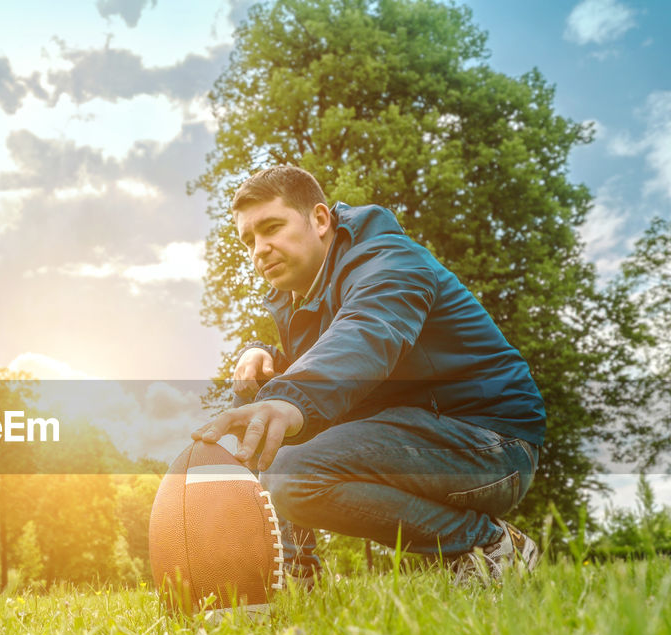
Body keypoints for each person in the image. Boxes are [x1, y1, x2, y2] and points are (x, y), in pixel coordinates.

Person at [193, 165, 544, 585]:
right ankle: (295, 570)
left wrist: (290, 397)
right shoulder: (302, 296)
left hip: (492, 446)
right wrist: (262, 355)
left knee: (293, 464)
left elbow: (368, 332)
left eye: (272, 228)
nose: (259, 249)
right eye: (249, 240)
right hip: (415, 437)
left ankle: (488, 545)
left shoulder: (389, 260)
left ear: (320, 220)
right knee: (258, 399)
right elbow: (325, 361)